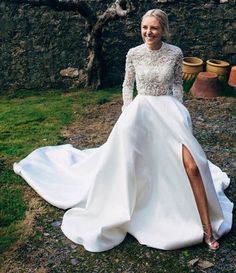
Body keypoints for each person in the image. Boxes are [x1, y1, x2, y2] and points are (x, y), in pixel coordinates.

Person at [14, 9, 233, 252]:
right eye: (144, 27)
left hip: (169, 114)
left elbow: (177, 86)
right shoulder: (133, 54)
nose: (148, 32)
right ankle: (136, 207)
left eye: (154, 28)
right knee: (131, 162)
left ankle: (207, 228)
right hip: (140, 113)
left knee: (193, 166)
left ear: (163, 30)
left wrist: (182, 114)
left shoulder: (174, 53)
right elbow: (127, 85)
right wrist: (127, 111)